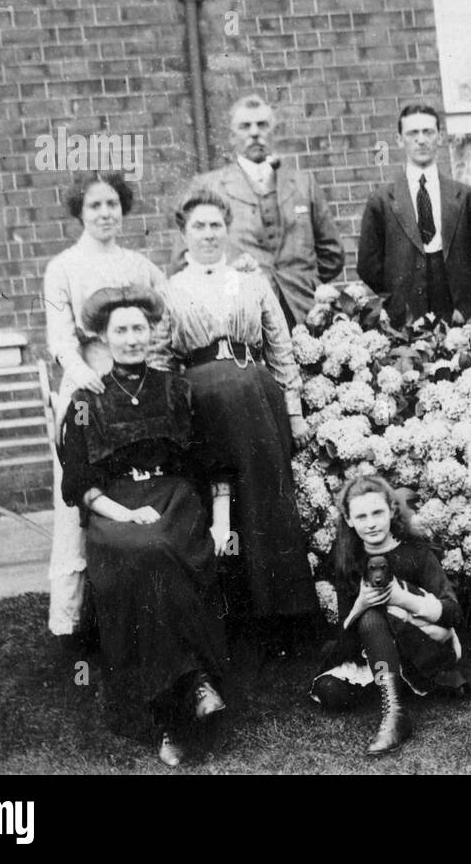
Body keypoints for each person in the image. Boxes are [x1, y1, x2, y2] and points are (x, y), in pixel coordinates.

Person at [58, 287, 229, 768]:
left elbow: (213, 464)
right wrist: (124, 514)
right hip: (116, 511)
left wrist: (222, 522)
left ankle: (175, 715)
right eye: (121, 330)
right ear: (104, 337)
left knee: (157, 552)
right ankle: (191, 689)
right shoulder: (88, 400)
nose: (132, 338)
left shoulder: (177, 389)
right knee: (145, 553)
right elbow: (80, 484)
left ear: (152, 332)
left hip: (175, 500)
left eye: (139, 328)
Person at [156, 189, 320, 644]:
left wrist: (295, 411)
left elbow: (280, 348)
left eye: (215, 225)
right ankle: (234, 621)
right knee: (220, 504)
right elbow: (161, 360)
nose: (208, 234)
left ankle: (284, 617)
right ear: (183, 233)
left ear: (227, 229)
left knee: (267, 502)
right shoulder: (170, 291)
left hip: (257, 398)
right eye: (198, 227)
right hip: (203, 409)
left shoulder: (251, 280)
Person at [42, 172, 166, 638]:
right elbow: (61, 340)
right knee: (79, 495)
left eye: (112, 203)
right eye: (94, 206)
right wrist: (84, 378)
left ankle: (142, 607)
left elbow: (164, 315)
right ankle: (73, 621)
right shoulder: (64, 267)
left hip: (136, 383)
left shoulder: (138, 264)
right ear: (80, 212)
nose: (105, 213)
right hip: (89, 386)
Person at [309, 474, 471, 756]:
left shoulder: (416, 553)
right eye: (361, 516)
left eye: (377, 512)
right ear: (349, 520)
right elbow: (343, 635)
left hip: (421, 645)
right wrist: (361, 603)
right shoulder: (347, 561)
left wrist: (403, 599)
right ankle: (395, 685)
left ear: (391, 510)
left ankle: (395, 715)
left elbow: (453, 613)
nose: (371, 522)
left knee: (373, 618)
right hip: (374, 648)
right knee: (331, 691)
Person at [172, 93, 344, 327]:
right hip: (242, 315)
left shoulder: (303, 184)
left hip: (304, 311)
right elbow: (184, 260)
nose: (254, 132)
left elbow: (332, 254)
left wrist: (300, 279)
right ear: (232, 137)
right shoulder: (209, 187)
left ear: (272, 131)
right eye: (245, 126)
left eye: (262, 125)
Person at [357, 104, 471, 327]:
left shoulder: (466, 197)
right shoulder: (381, 201)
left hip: (459, 311)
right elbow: (368, 265)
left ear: (439, 136)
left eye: (428, 132)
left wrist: (465, 295)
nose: (421, 139)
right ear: (400, 140)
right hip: (405, 314)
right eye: (413, 133)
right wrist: (397, 296)